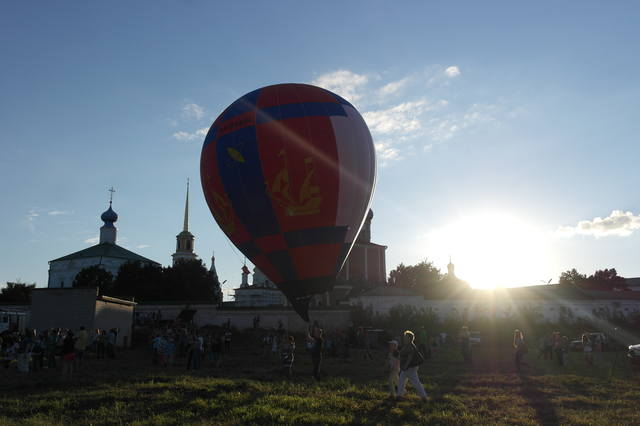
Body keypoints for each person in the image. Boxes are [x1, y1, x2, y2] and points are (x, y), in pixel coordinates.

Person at [398, 330, 428, 401]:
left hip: (409, 368)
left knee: (415, 383)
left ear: (409, 338)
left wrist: (405, 366)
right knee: (401, 381)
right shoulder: (407, 345)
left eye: (405, 337)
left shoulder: (410, 346)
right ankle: (399, 395)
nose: (404, 338)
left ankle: (424, 397)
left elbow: (410, 357)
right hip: (407, 368)